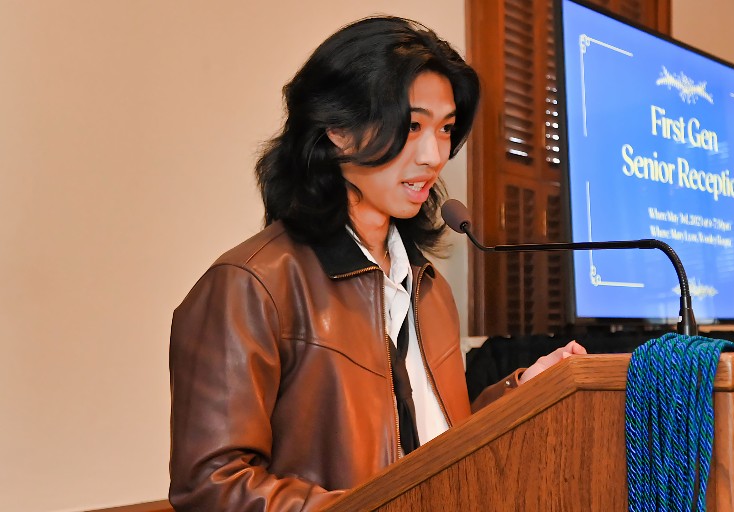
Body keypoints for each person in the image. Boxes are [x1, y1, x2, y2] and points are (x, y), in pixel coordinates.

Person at [168, 16, 586, 512]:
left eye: (446, 129)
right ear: (337, 130)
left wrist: (522, 395)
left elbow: (430, 449)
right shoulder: (251, 287)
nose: (434, 155)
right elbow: (212, 488)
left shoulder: (429, 288)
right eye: (411, 126)